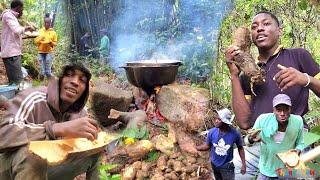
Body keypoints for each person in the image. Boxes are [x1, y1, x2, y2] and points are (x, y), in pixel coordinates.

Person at [225, 11, 320, 178]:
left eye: (266, 24)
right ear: (251, 38)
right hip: (259, 144)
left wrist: (305, 79)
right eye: (254, 27)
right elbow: (244, 122)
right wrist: (234, 75)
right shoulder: (250, 72)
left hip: (292, 140)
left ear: (280, 31)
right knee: (226, 170)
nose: (259, 29)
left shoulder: (298, 56)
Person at [0, 63, 100, 180]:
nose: (75, 82)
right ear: (58, 80)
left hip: (45, 169)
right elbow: (4, 135)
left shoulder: (81, 114)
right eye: (68, 75)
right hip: (9, 169)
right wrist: (55, 129)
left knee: (94, 150)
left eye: (82, 80)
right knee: (33, 154)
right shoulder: (33, 98)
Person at [245, 94, 304, 179]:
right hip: (266, 171)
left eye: (286, 109)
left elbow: (301, 143)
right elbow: (247, 140)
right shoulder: (263, 120)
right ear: (273, 110)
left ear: (290, 109)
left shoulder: (298, 121)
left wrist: (297, 151)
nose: (282, 113)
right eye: (279, 110)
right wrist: (251, 139)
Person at [196, 108, 246, 180]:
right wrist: (196, 148)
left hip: (227, 167)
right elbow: (207, 146)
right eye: (216, 118)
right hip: (214, 164)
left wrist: (243, 164)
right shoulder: (212, 132)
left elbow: (240, 148)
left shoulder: (235, 134)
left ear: (225, 122)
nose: (216, 121)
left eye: (219, 119)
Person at [0, 0, 34, 85]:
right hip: (11, 54)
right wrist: (27, 28)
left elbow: (14, 33)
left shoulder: (11, 16)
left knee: (14, 82)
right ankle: (17, 97)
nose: (22, 10)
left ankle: (15, 96)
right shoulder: (8, 15)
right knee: (17, 82)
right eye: (22, 8)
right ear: (18, 7)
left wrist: (26, 33)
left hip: (12, 53)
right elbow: (16, 30)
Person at [34, 16, 58, 80]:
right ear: (44, 23)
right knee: (42, 72)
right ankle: (41, 85)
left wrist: (50, 42)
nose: (46, 24)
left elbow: (55, 43)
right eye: (45, 22)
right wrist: (40, 39)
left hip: (49, 52)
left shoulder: (53, 32)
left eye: (48, 23)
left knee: (48, 72)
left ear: (50, 23)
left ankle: (52, 84)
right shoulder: (40, 31)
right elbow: (35, 41)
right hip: (40, 52)